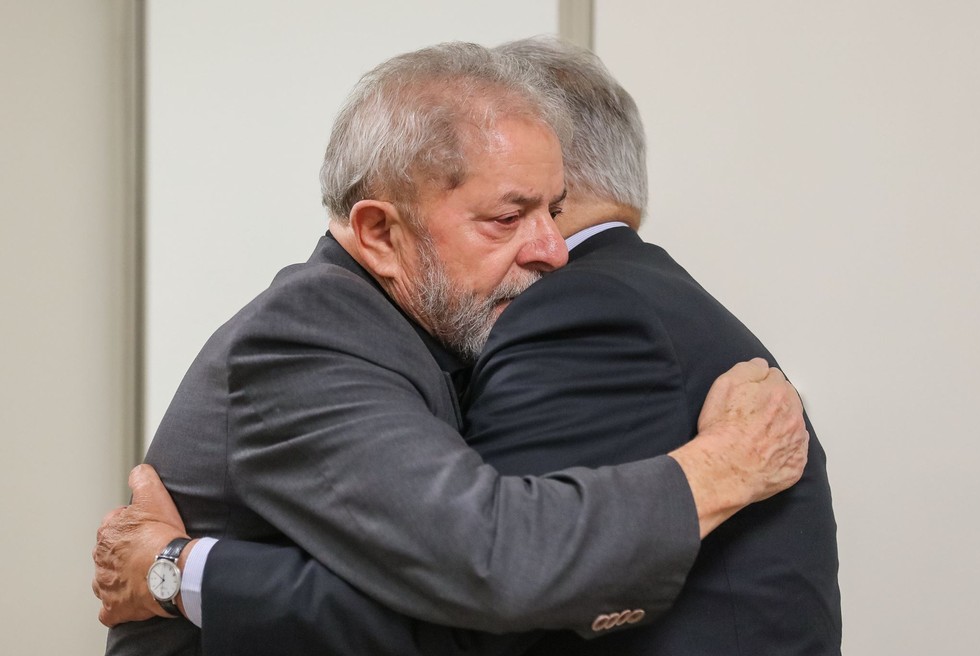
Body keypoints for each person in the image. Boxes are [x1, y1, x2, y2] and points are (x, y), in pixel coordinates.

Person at [94, 42, 810, 655]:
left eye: (553, 210)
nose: (554, 252)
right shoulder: (308, 332)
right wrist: (724, 469)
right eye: (508, 217)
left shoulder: (433, 326)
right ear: (379, 233)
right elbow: (491, 564)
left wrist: (178, 571)